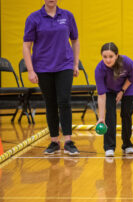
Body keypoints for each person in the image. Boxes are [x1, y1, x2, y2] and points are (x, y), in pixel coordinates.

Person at [23, 0, 80, 155]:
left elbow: (75, 40)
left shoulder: (68, 16)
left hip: (64, 65)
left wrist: (75, 64)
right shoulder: (33, 18)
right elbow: (26, 46)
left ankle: (68, 140)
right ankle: (54, 141)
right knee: (50, 103)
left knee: (64, 101)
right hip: (42, 67)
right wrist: (30, 70)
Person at [95, 42, 133, 157]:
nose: (108, 60)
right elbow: (101, 95)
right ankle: (109, 147)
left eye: (111, 56)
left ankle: (127, 144)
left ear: (117, 55)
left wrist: (122, 91)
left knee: (126, 114)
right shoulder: (99, 69)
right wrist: (101, 117)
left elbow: (131, 78)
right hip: (109, 90)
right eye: (105, 57)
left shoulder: (127, 63)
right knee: (110, 116)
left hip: (127, 87)